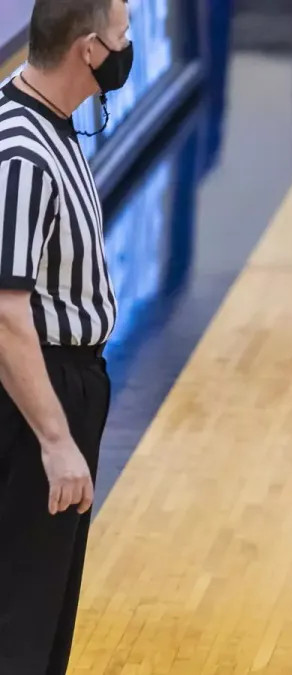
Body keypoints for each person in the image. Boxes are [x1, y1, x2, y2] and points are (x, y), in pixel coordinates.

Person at [0, 0, 132, 672]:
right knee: (21, 615)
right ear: (88, 49)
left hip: (69, 384)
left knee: (46, 611)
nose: (128, 42)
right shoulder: (20, 152)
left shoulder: (55, 125)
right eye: (122, 33)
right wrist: (55, 440)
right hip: (34, 395)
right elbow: (4, 312)